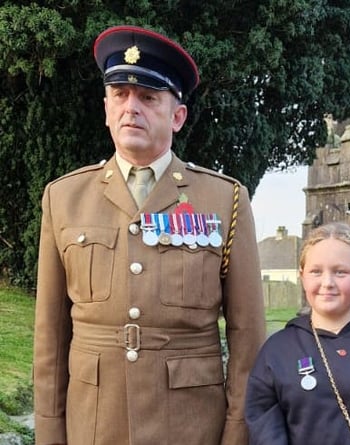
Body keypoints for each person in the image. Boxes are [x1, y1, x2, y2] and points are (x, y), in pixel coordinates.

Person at [33, 25, 266, 445]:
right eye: (120, 95)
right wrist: (50, 433)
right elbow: (50, 336)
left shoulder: (223, 198)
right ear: (105, 109)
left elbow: (247, 336)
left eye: (148, 97)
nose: (130, 108)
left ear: (177, 116)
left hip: (191, 426)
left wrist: (237, 433)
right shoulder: (63, 197)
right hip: (94, 425)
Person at [245, 222, 350, 444]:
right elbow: (264, 426)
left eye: (340, 272)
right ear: (303, 277)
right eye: (316, 271)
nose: (327, 283)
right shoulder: (277, 351)